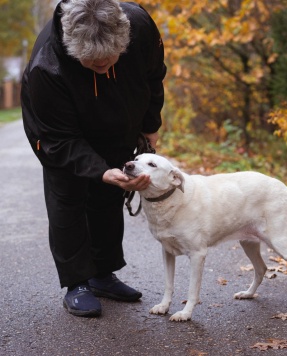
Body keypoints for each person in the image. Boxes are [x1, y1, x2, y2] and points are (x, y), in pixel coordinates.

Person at [21, 0, 166, 317]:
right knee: (68, 196)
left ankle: (102, 274)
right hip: (62, 133)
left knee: (109, 196)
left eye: (110, 59)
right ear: (73, 48)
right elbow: (59, 140)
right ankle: (77, 282)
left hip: (118, 123)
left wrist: (150, 126)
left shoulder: (139, 26)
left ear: (124, 39)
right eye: (93, 62)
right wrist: (99, 170)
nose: (103, 66)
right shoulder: (47, 69)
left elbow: (154, 76)